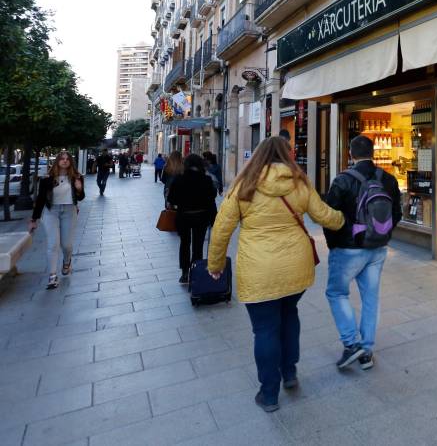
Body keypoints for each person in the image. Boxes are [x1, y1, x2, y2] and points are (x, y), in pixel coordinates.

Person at [207, 137, 344, 412]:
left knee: (265, 329)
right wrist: (344, 218)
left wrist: (215, 264)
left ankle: (269, 393)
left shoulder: (244, 185)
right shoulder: (300, 182)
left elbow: (222, 229)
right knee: (289, 314)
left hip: (259, 270)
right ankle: (289, 372)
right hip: (296, 267)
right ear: (287, 154)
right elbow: (325, 216)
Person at [323, 135, 401, 371]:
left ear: (350, 153)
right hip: (377, 249)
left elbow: (329, 216)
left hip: (348, 248)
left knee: (336, 293)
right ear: (374, 152)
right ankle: (366, 351)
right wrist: (381, 234)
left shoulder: (342, 180)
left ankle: (351, 343)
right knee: (370, 299)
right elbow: (396, 213)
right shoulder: (388, 179)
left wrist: (334, 244)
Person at [28, 151, 85, 289]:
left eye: (67, 159)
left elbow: (81, 197)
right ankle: (52, 276)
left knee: (66, 245)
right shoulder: (47, 178)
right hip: (50, 212)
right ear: (57, 161)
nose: (64, 161)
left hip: (69, 211)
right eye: (62, 159)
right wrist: (34, 219)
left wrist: (79, 189)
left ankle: (66, 262)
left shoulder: (76, 177)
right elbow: (41, 199)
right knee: (53, 244)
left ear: (70, 162)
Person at [166, 154, 217, 284]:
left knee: (184, 244)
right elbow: (211, 198)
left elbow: (171, 199)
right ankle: (196, 271)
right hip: (201, 217)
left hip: (183, 216)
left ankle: (184, 272)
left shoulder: (179, 179)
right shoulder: (206, 179)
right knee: (198, 245)